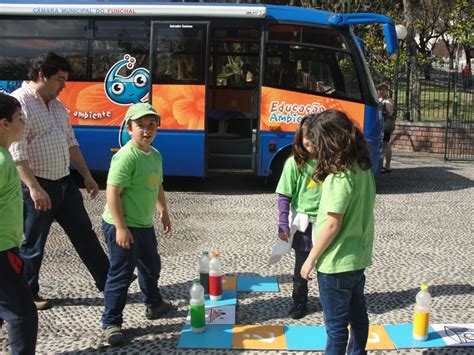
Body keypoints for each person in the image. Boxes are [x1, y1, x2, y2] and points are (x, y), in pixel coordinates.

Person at [9, 52, 109, 310]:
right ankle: (27, 294)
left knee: (84, 233)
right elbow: (17, 153)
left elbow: (71, 142)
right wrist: (33, 187)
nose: (64, 86)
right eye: (60, 79)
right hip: (39, 186)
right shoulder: (19, 104)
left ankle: (109, 281)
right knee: (33, 244)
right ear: (42, 75)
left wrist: (86, 175)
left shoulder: (56, 105)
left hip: (64, 182)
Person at [300, 110, 376, 355]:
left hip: (335, 262)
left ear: (330, 140)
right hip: (357, 256)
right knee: (358, 314)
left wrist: (310, 259)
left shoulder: (339, 175)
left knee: (335, 327)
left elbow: (332, 223)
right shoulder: (363, 169)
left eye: (319, 141)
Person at [101, 103, 174, 346]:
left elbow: (157, 184)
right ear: (129, 128)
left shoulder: (155, 155)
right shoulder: (125, 156)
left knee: (151, 265)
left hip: (143, 224)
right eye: (140, 126)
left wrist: (163, 210)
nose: (146, 130)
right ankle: (111, 323)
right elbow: (112, 193)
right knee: (121, 274)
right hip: (121, 224)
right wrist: (121, 228)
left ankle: (154, 304)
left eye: (151, 125)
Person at [0, 93, 38, 355]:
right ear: (4, 123)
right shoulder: (2, 161)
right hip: (2, 252)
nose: (23, 123)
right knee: (22, 314)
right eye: (19, 119)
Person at [275, 114, 322, 319]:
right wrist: (282, 224)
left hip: (327, 223)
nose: (310, 141)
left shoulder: (330, 163)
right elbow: (284, 195)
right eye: (306, 136)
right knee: (302, 267)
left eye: (314, 135)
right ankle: (299, 302)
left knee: (327, 266)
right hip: (304, 225)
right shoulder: (293, 163)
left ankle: (330, 300)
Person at [377, 83, 394, 173]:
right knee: (382, 145)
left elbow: (390, 113)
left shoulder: (388, 101)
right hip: (380, 125)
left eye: (383, 90)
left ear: (387, 91)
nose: (381, 91)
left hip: (386, 125)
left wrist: (383, 110)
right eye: (380, 89)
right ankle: (381, 164)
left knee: (386, 144)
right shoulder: (379, 100)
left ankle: (387, 165)